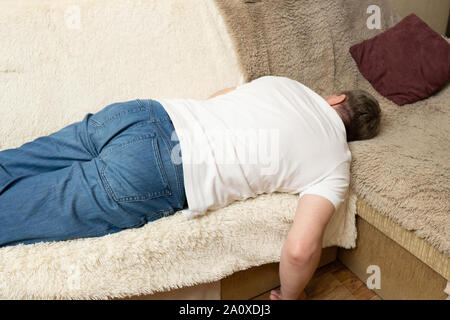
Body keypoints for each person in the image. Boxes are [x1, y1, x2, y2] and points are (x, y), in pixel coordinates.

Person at [0, 75, 380, 300]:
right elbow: (299, 251)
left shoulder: (285, 84)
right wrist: (290, 296)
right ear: (353, 138)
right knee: (20, 212)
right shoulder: (335, 164)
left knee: (16, 162)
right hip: (157, 170)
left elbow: (221, 99)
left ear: (336, 98)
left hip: (142, 114)